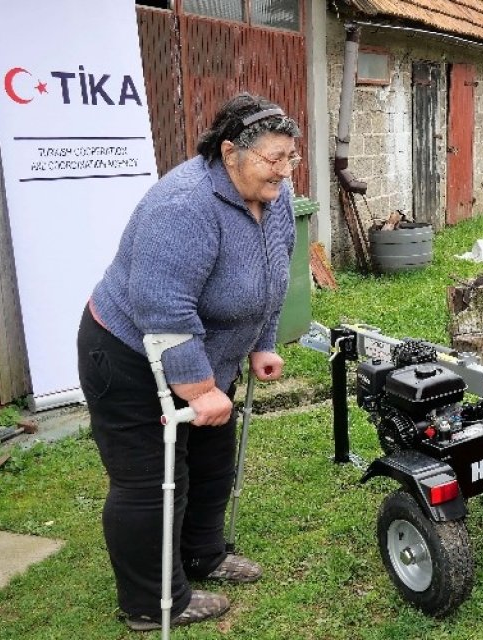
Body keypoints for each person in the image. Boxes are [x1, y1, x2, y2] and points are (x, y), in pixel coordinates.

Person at [77, 93, 301, 631]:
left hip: (205, 353)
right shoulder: (183, 205)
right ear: (230, 153)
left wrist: (261, 341)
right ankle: (152, 602)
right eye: (273, 158)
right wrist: (200, 390)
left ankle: (205, 554)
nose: (284, 170)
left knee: (211, 461)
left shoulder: (276, 195)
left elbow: (272, 276)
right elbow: (163, 308)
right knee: (151, 480)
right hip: (129, 354)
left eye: (290, 157)